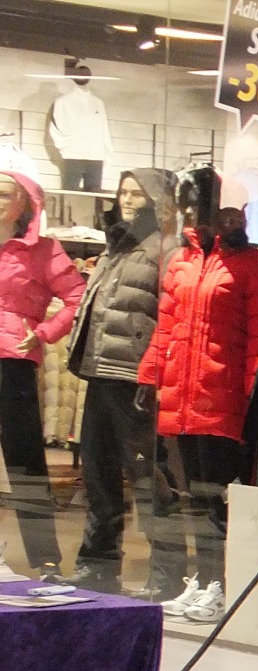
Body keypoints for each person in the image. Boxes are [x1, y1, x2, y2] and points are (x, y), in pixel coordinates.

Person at [137, 182, 258, 624]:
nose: (223, 220)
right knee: (192, 495)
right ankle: (202, 578)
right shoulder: (182, 261)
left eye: (232, 213)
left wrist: (255, 390)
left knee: (217, 496)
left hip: (223, 398)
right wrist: (151, 375)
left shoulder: (255, 267)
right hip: (182, 396)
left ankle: (222, 584)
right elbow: (166, 324)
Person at [62, 168, 175, 594]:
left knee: (145, 475)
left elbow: (168, 315)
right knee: (98, 470)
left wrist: (154, 371)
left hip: (135, 377)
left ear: (156, 200)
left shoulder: (163, 248)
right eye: (123, 192)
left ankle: (165, 572)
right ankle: (98, 563)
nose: (127, 200)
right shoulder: (118, 244)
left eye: (137, 194)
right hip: (102, 371)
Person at [0, 168, 85, 577]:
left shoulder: (43, 250)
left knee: (25, 463)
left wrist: (45, 332)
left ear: (24, 204)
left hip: (11, 362)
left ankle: (46, 558)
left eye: (5, 194)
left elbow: (77, 297)